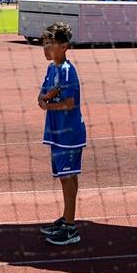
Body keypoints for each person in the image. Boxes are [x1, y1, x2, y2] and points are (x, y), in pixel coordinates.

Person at [37, 22, 86, 246]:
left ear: (64, 46)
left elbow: (69, 103)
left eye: (50, 44)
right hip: (57, 132)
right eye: (44, 43)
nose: (46, 48)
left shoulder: (68, 71)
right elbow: (42, 95)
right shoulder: (51, 69)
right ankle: (67, 220)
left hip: (69, 132)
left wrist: (48, 104)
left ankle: (70, 227)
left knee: (67, 177)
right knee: (67, 176)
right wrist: (43, 99)